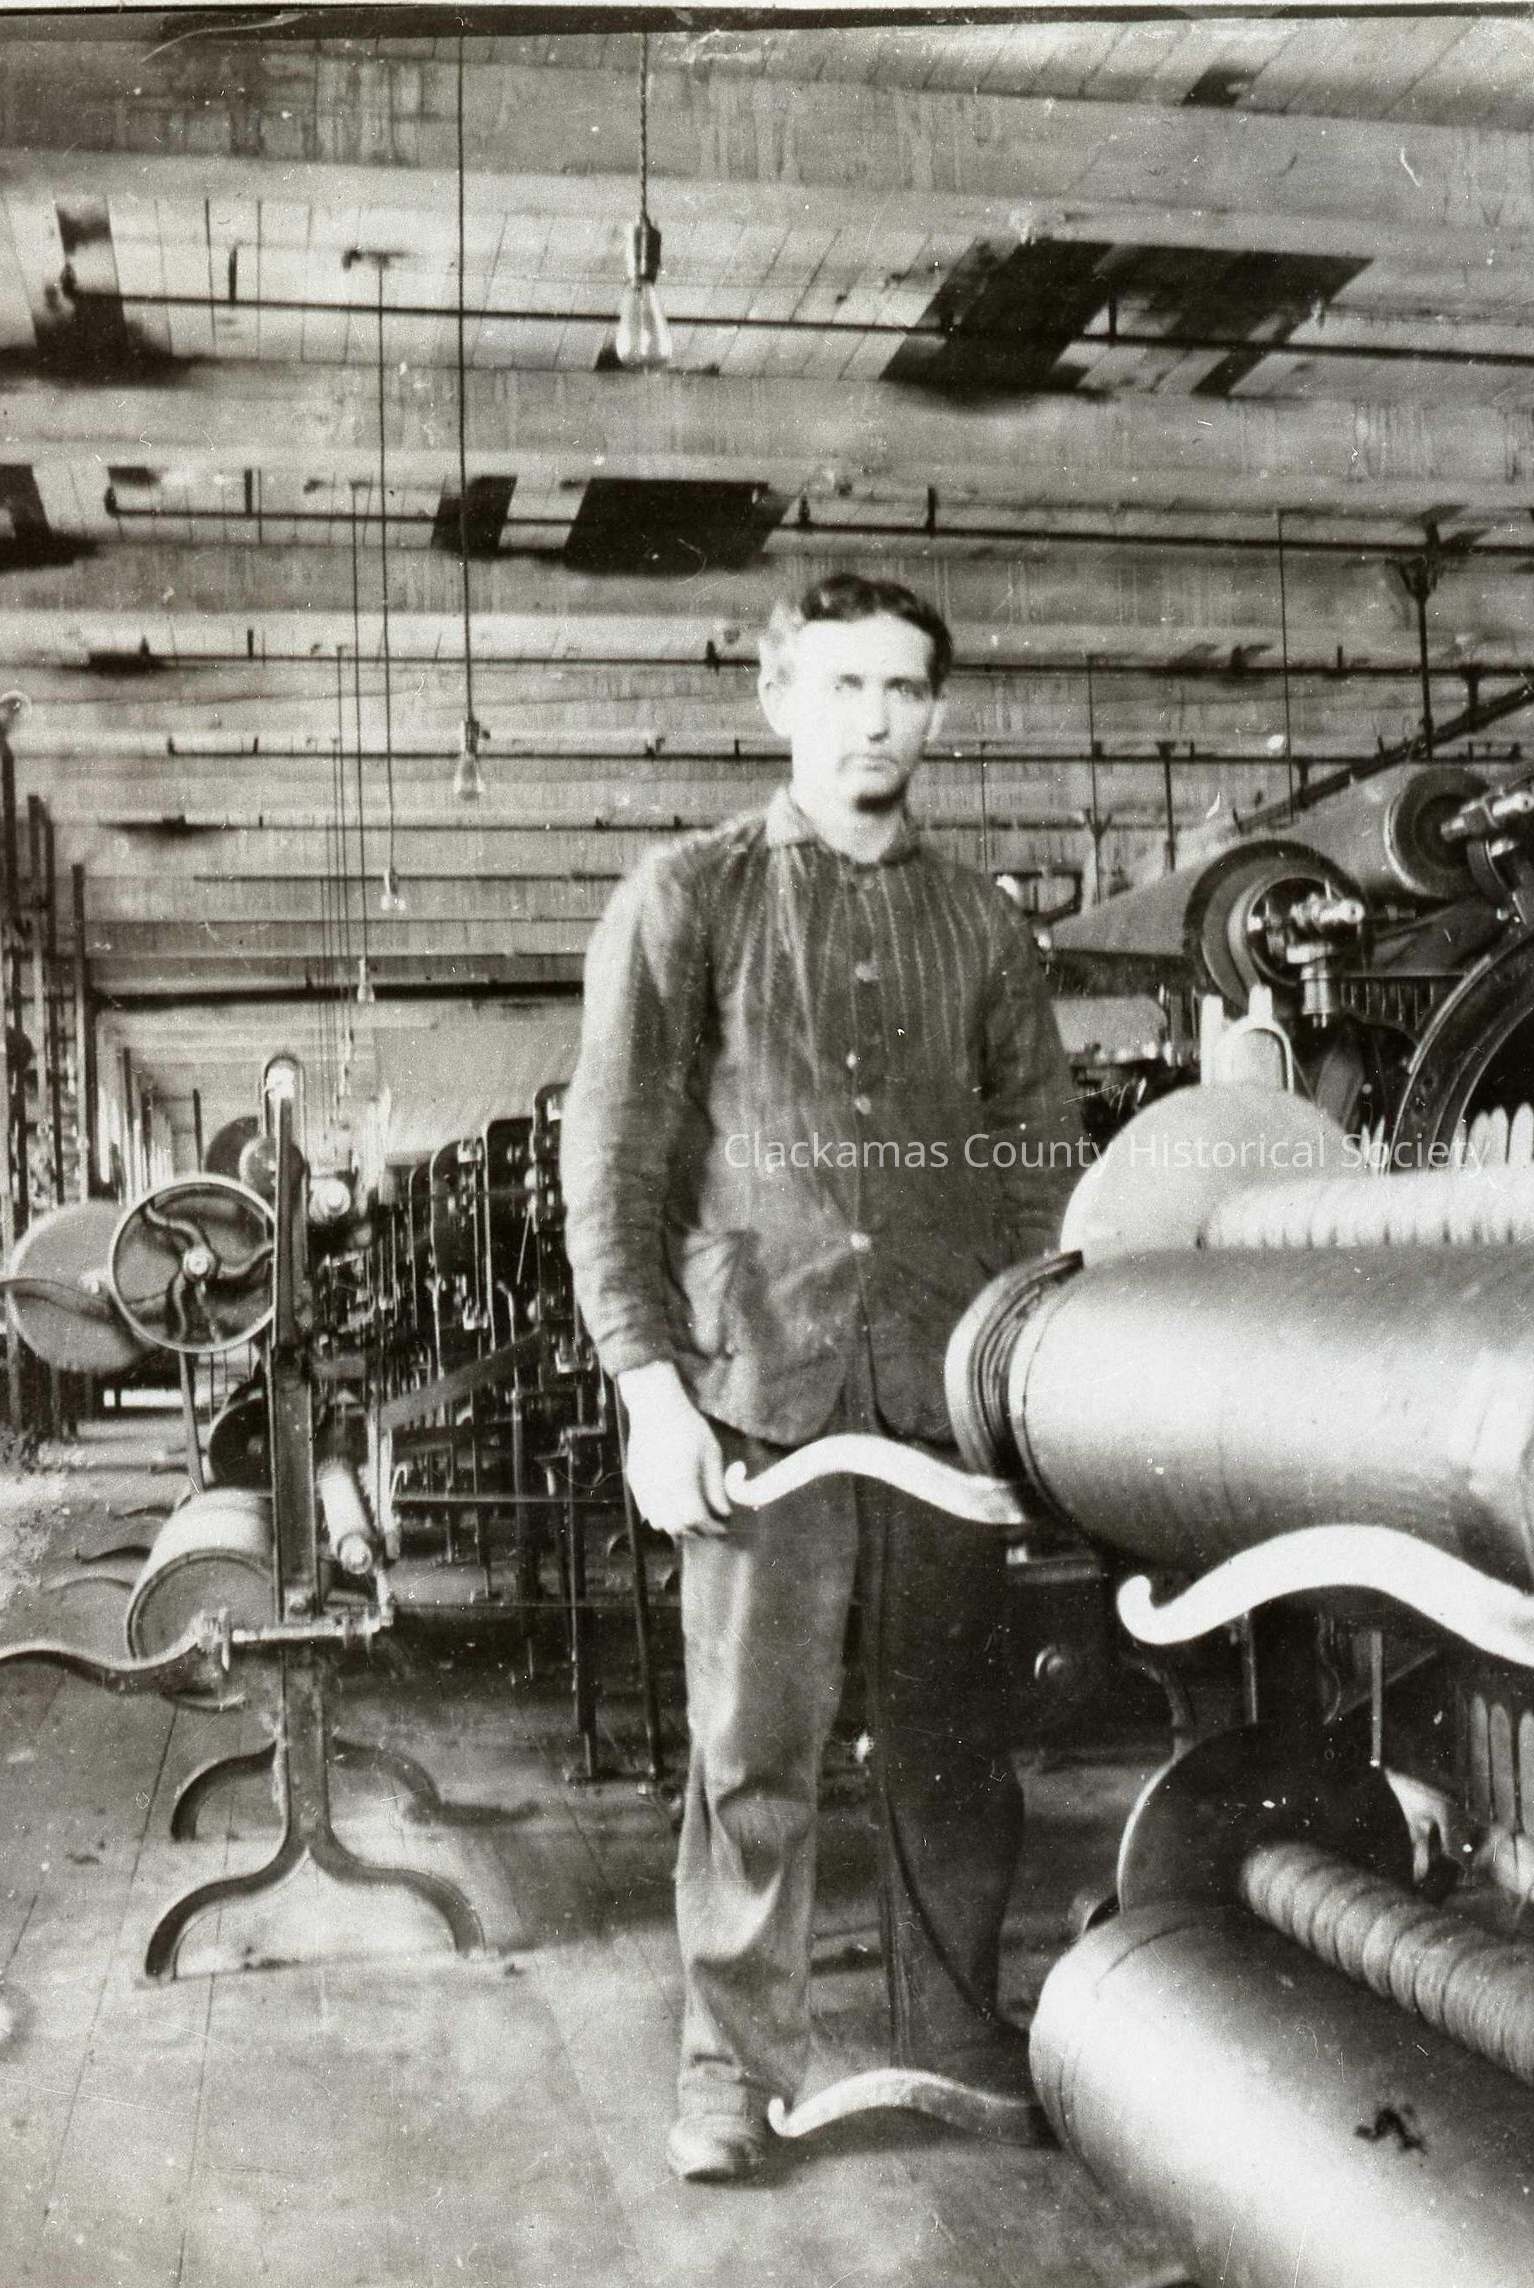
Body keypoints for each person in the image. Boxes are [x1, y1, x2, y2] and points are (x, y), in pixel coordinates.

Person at [560, 571, 1084, 2185]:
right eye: (843, 685)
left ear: (938, 711)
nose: (875, 719)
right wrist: (650, 1392)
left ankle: (956, 2035)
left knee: (951, 1741)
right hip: (753, 1397)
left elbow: (1036, 1164)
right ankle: (730, 2074)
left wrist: (1021, 1376)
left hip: (940, 1399)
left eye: (904, 689)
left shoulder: (982, 925)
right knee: (751, 1756)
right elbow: (616, 1163)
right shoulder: (687, 898)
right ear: (779, 699)